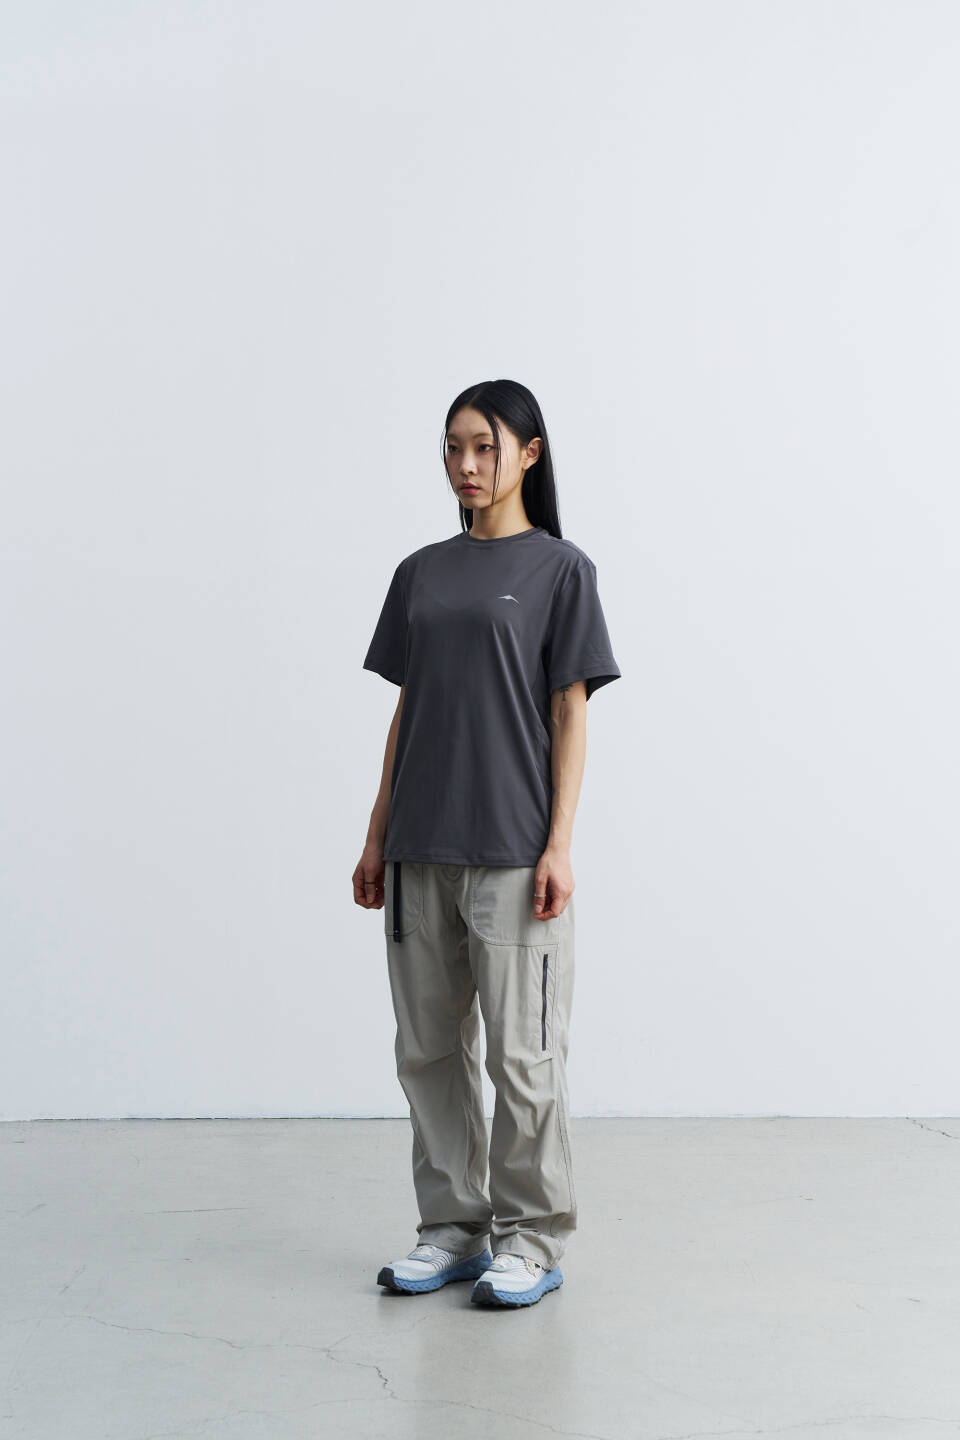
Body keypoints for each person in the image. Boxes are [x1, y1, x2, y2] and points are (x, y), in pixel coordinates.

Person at [353, 378, 622, 1308]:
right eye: (453, 447)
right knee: (428, 1052)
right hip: (420, 846)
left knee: (523, 1057)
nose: (465, 465)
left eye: (484, 446)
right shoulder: (420, 572)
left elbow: (570, 714)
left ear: (529, 454)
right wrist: (377, 834)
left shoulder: (561, 570)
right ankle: (453, 1229)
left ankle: (533, 1238)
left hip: (513, 849)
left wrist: (560, 844)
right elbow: (407, 712)